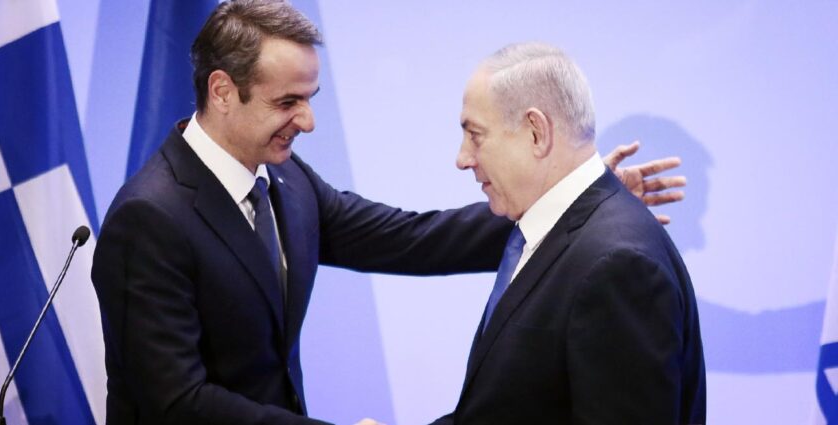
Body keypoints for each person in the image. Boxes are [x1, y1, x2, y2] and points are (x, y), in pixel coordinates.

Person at [91, 1, 685, 424]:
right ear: (222, 91)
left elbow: (408, 238)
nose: (307, 122)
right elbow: (177, 401)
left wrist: (564, 207)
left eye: (310, 99)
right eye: (287, 102)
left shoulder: (286, 180)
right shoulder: (150, 218)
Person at [432, 43, 705, 424]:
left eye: (475, 135)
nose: (462, 159)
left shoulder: (617, 266)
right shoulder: (561, 234)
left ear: (536, 132)